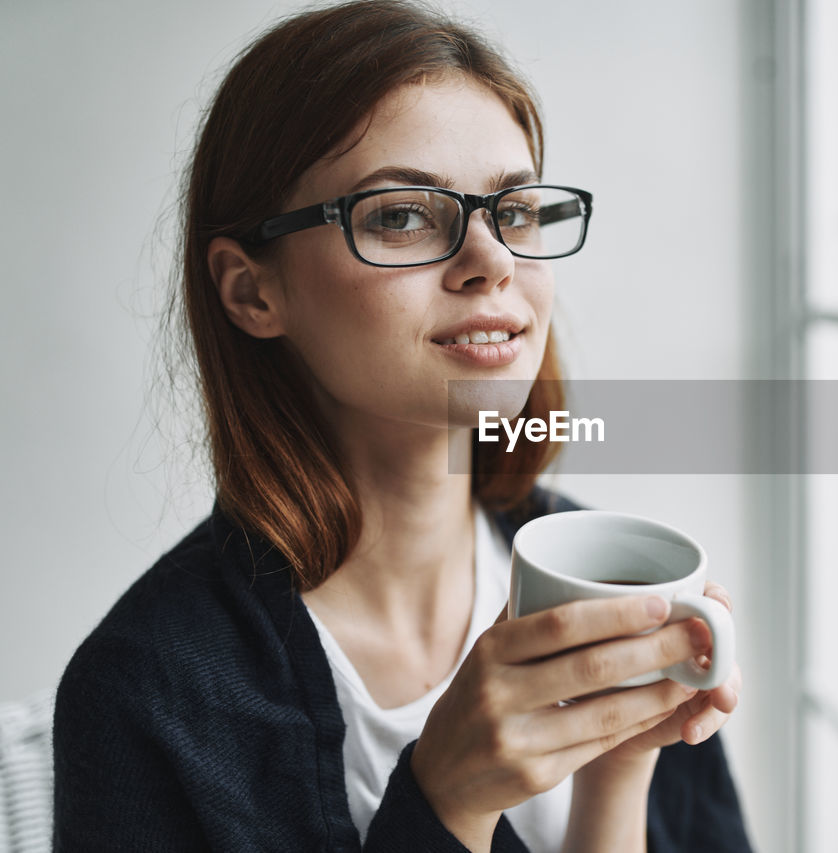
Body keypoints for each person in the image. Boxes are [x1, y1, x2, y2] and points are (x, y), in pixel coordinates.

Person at [51, 2, 750, 851]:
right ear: (251, 292)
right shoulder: (147, 694)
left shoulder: (614, 579)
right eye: (402, 215)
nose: (493, 259)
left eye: (516, 209)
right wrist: (445, 801)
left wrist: (619, 767)